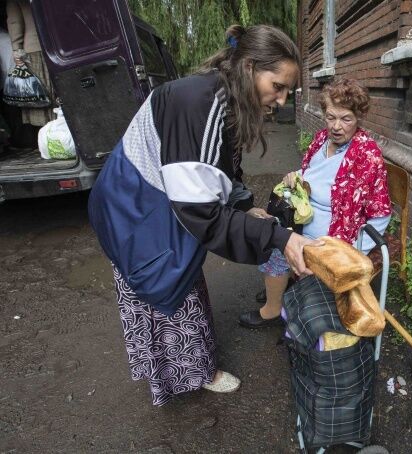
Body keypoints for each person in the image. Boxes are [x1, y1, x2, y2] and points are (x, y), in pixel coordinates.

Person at [88, 25, 320, 406]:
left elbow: (222, 165)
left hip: (151, 202)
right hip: (135, 210)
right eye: (277, 86)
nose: (281, 100)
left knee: (183, 279)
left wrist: (245, 206)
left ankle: (191, 369)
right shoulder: (200, 103)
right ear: (248, 69)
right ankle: (187, 374)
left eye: (287, 92)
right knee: (166, 286)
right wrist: (281, 238)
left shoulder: (222, 99)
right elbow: (203, 215)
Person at [239, 78, 392, 328]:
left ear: (359, 118)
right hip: (302, 218)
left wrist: (354, 254)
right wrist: (297, 176)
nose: (336, 126)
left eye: (346, 119)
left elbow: (380, 213)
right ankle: (278, 287)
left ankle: (272, 309)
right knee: (267, 226)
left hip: (334, 237)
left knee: (276, 241)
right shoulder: (322, 140)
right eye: (331, 117)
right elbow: (313, 174)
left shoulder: (367, 154)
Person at [6, 0, 54, 131]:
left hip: (34, 48)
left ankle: (49, 133)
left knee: (41, 90)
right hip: (57, 43)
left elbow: (14, 22)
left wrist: (17, 49)